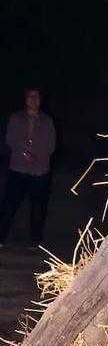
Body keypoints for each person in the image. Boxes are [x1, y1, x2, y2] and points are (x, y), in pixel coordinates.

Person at [0, 87, 56, 248]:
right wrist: (24, 152)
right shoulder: (16, 118)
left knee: (38, 207)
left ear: (40, 100)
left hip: (40, 171)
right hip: (18, 168)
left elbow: (51, 144)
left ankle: (35, 241)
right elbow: (11, 138)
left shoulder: (47, 121)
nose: (34, 99)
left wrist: (36, 156)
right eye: (30, 97)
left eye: (37, 97)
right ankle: (1, 237)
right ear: (25, 99)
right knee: (9, 205)